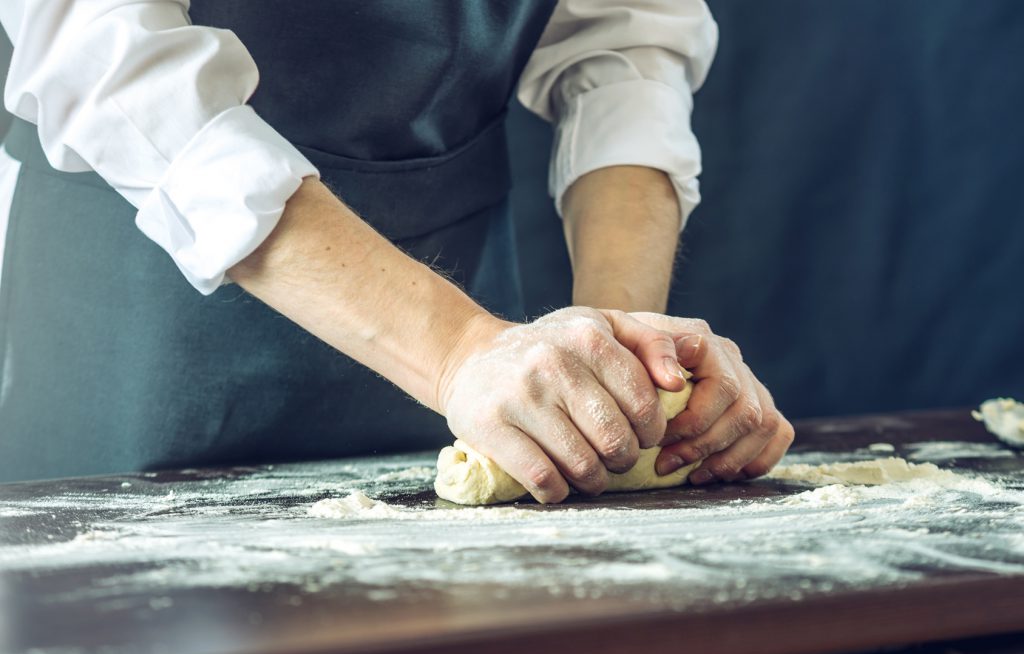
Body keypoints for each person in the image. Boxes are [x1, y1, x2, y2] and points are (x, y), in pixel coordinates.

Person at [0, 1, 793, 497]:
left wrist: (624, 361)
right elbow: (109, 62)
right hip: (145, 347)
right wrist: (455, 349)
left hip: (470, 370)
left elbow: (624, 54)